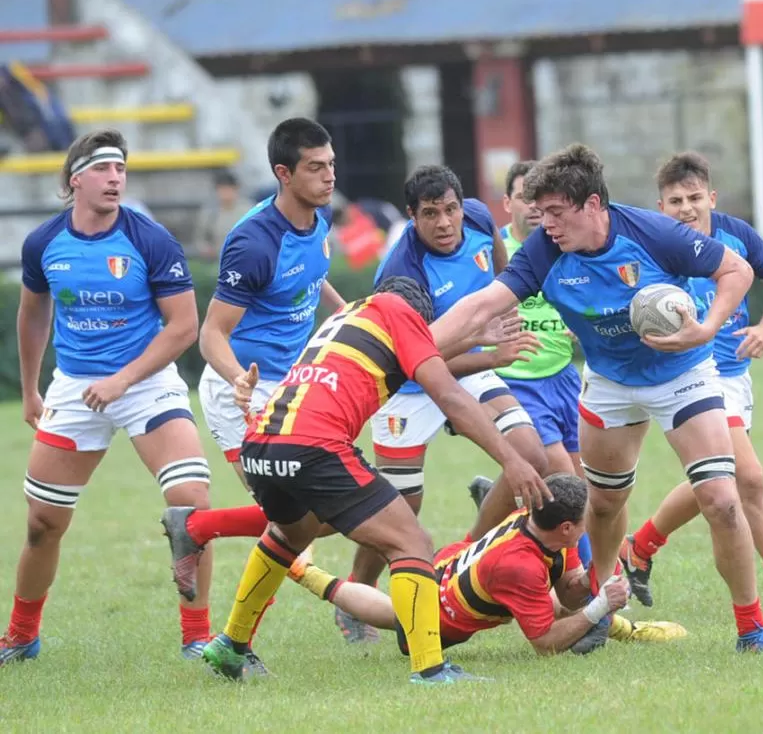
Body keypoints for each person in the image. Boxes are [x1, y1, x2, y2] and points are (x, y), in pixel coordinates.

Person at [426, 143, 763, 652]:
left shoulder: (653, 232)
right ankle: (600, 606)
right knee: (603, 504)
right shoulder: (545, 251)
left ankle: (752, 629)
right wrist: (409, 346)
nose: (545, 223)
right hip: (610, 384)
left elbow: (737, 271)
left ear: (593, 204)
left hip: (681, 374)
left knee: (723, 501)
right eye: (540, 213)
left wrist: (704, 329)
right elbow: (483, 304)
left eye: (556, 212)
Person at [200, 276, 547, 684]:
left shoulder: (350, 316)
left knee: (289, 534)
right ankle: (431, 670)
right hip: (314, 447)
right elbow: (450, 396)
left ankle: (231, 644)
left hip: (262, 446)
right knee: (412, 542)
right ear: (420, 317)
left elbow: (410, 362)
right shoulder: (401, 314)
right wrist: (512, 459)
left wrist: (479, 343)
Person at [1, 129, 214, 666]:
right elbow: (33, 315)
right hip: (74, 387)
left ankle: (198, 637)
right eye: (103, 169)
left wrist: (122, 380)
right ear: (76, 180)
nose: (116, 178)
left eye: (121, 169)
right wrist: (31, 389)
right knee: (42, 523)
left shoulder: (151, 239)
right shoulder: (44, 243)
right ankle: (21, 636)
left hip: (148, 383)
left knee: (192, 504)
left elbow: (184, 326)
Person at [336, 164, 550, 643]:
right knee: (398, 511)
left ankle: (468, 553)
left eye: (449, 210)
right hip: (408, 387)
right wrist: (489, 349)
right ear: (411, 216)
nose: (445, 223)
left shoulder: (476, 218)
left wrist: (505, 308)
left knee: (532, 455)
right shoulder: (400, 276)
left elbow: (501, 259)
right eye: (430, 214)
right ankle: (359, 592)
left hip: (472, 363)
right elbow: (416, 364)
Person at [618, 152, 763, 613]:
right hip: (696, 378)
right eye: (675, 200)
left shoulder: (735, 235)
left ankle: (638, 548)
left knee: (716, 483)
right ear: (661, 207)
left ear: (711, 198)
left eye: (695, 197)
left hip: (736, 376)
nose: (686, 208)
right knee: (748, 479)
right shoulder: (655, 246)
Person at [161, 119, 344, 647]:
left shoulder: (320, 215)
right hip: (239, 390)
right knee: (293, 521)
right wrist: (240, 378)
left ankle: (195, 529)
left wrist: (349, 313)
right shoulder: (252, 242)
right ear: (284, 174)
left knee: (315, 518)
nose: (329, 176)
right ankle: (231, 644)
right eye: (316, 167)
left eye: (331, 164)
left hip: (294, 387)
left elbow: (311, 274)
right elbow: (210, 333)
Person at [290, 473, 688, 656]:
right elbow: (544, 644)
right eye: (586, 523)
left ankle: (629, 632)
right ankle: (303, 571)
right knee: (400, 616)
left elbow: (568, 589)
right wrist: (602, 604)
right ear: (568, 527)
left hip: (455, 567)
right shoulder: (521, 565)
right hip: (437, 624)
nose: (590, 527)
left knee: (555, 603)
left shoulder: (545, 527)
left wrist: (596, 579)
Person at [467, 161, 591, 564]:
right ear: (508, 203)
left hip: (563, 377)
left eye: (546, 201)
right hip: (515, 379)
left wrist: (581, 321)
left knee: (583, 484)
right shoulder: (494, 253)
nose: (536, 208)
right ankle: (588, 581)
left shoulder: (564, 245)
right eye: (526, 197)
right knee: (561, 478)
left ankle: (501, 503)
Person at [196, 170, 254, 260]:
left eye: (229, 189)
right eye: (222, 189)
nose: (225, 193)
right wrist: (206, 249)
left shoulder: (249, 210)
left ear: (236, 189)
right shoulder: (210, 212)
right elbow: (201, 238)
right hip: (219, 261)